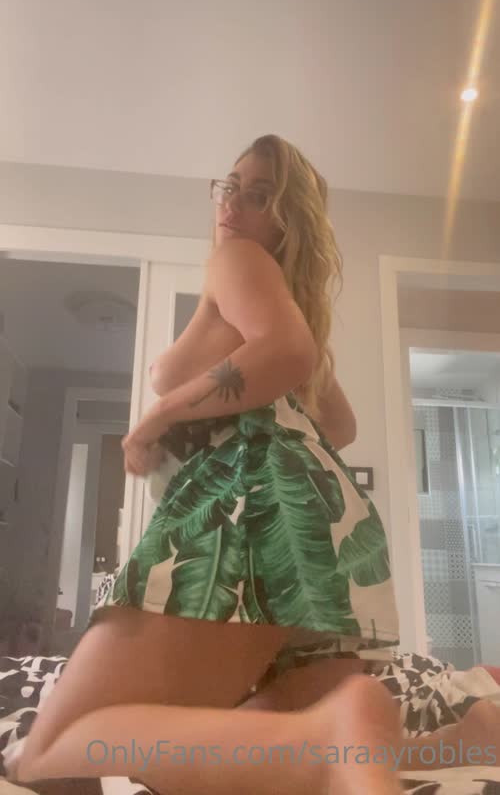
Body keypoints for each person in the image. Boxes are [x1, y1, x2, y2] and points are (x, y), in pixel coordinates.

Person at [5, 134, 404, 794]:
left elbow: (288, 352)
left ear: (287, 221)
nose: (233, 205)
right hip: (314, 525)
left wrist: (162, 414)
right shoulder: (280, 294)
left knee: (45, 750)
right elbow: (338, 426)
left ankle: (329, 738)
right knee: (258, 732)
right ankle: (440, 738)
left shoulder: (237, 260)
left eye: (260, 196)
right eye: (230, 187)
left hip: (250, 500)